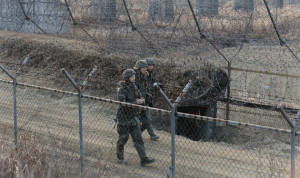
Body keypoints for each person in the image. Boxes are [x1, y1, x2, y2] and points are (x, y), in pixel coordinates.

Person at [116, 69, 155, 166]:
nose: (134, 78)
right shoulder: (122, 89)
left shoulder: (134, 86)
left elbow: (141, 97)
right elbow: (123, 104)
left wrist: (142, 101)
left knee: (138, 139)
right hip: (124, 118)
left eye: (134, 76)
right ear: (127, 78)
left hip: (133, 117)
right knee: (123, 139)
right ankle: (120, 158)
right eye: (132, 77)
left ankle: (144, 159)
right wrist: (136, 103)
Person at [134, 60, 159, 141]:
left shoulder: (146, 76)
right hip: (136, 102)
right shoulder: (134, 78)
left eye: (146, 68)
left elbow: (147, 87)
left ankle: (149, 134)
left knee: (147, 119)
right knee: (137, 121)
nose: (146, 69)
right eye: (144, 68)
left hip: (145, 101)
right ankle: (137, 135)